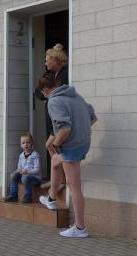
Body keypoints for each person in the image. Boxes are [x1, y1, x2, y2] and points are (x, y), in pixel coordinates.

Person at [37, 72, 97, 238]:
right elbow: (92, 117)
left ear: (46, 89)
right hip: (83, 143)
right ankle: (51, 199)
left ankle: (80, 227)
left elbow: (65, 129)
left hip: (71, 147)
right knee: (55, 162)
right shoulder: (76, 96)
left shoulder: (54, 101)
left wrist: (56, 145)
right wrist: (81, 132)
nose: (43, 95)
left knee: (74, 186)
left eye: (42, 92)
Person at [3, 134, 41, 203]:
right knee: (13, 175)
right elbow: (19, 167)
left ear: (32, 143)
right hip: (24, 176)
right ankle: (13, 195)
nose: (25, 144)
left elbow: (37, 170)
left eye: (28, 142)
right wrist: (18, 170)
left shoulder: (35, 155)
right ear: (21, 145)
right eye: (23, 143)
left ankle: (27, 197)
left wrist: (28, 172)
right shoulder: (21, 155)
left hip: (35, 178)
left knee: (26, 178)